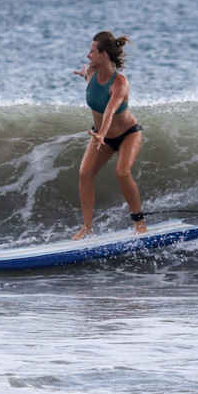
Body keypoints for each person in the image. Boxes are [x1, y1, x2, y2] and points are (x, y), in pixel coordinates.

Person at [71, 31, 146, 239]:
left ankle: (139, 221)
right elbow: (91, 83)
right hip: (100, 135)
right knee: (84, 174)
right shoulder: (93, 71)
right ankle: (87, 228)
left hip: (128, 133)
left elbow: (110, 110)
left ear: (104, 54)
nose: (88, 55)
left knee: (122, 173)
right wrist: (83, 74)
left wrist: (102, 133)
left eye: (92, 51)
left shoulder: (120, 83)